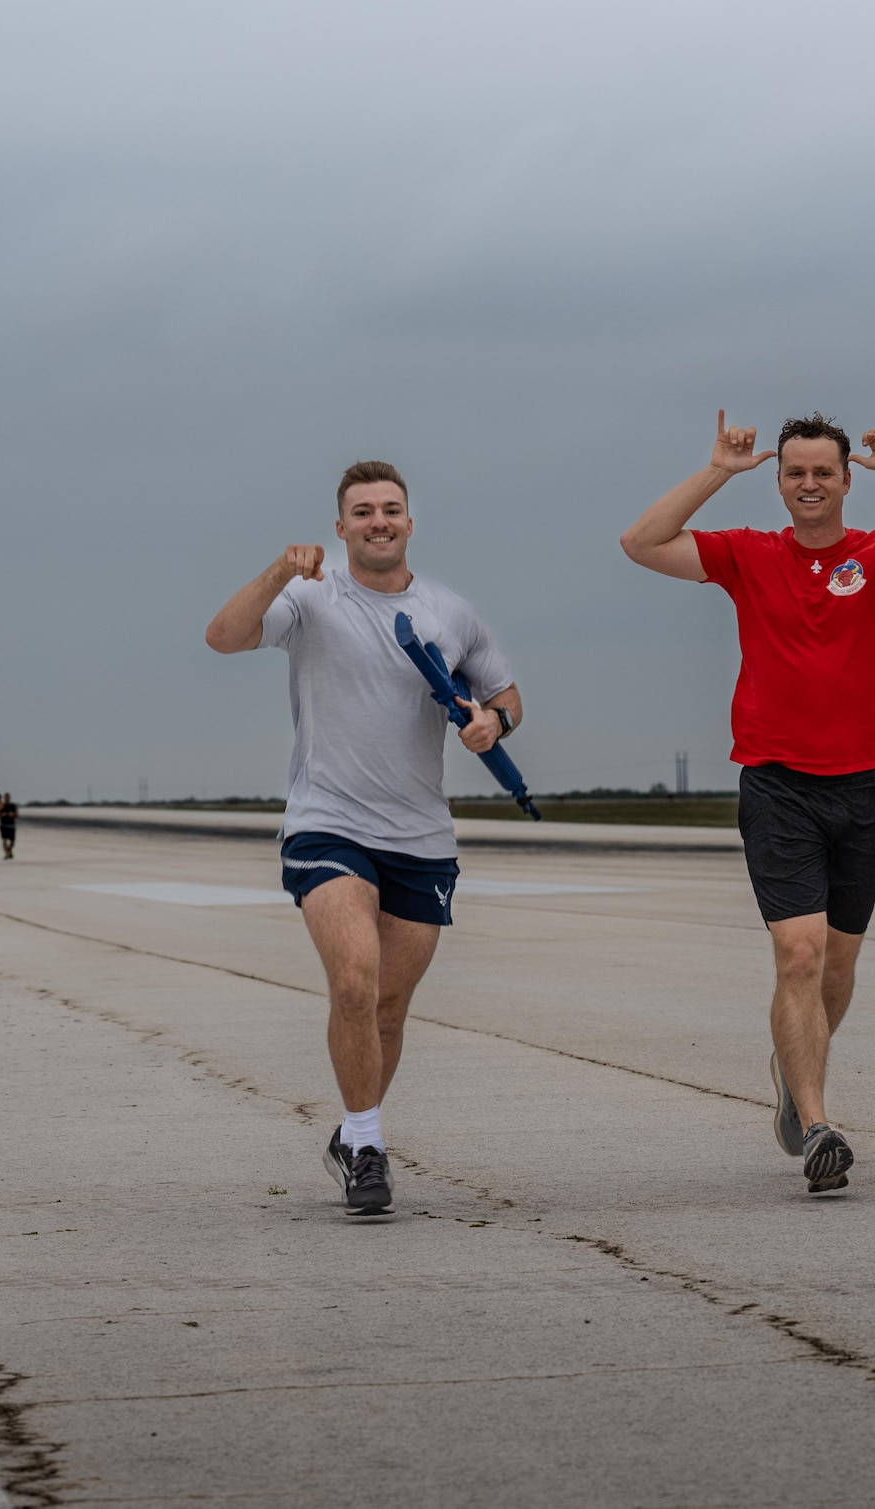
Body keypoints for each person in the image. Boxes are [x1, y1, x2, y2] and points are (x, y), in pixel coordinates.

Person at [621, 410, 875, 1194]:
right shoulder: (748, 554)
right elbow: (641, 542)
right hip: (777, 783)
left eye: (825, 471)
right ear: (780, 481)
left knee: (836, 969)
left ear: (847, 479)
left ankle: (794, 1072)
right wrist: (719, 470)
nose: (810, 484)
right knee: (799, 953)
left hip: (862, 788)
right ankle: (819, 1123)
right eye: (796, 472)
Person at [205, 461, 523, 1217]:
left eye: (391, 509)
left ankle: (352, 1132)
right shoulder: (309, 597)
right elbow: (223, 636)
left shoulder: (451, 612)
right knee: (352, 978)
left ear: (409, 522)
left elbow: (505, 692)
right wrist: (280, 568)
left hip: (421, 833)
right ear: (340, 526)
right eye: (362, 511)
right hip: (328, 821)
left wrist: (494, 722)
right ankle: (372, 1148)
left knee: (386, 1004)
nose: (378, 520)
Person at [0, 793, 17, 860]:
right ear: (4, 798)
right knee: (4, 839)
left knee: (12, 841)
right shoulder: (1, 806)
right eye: (6, 797)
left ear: (9, 798)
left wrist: (12, 814)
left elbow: (16, 815)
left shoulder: (13, 805)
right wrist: (2, 814)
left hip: (11, 825)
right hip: (3, 824)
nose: (7, 798)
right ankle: (7, 853)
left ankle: (9, 851)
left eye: (8, 797)